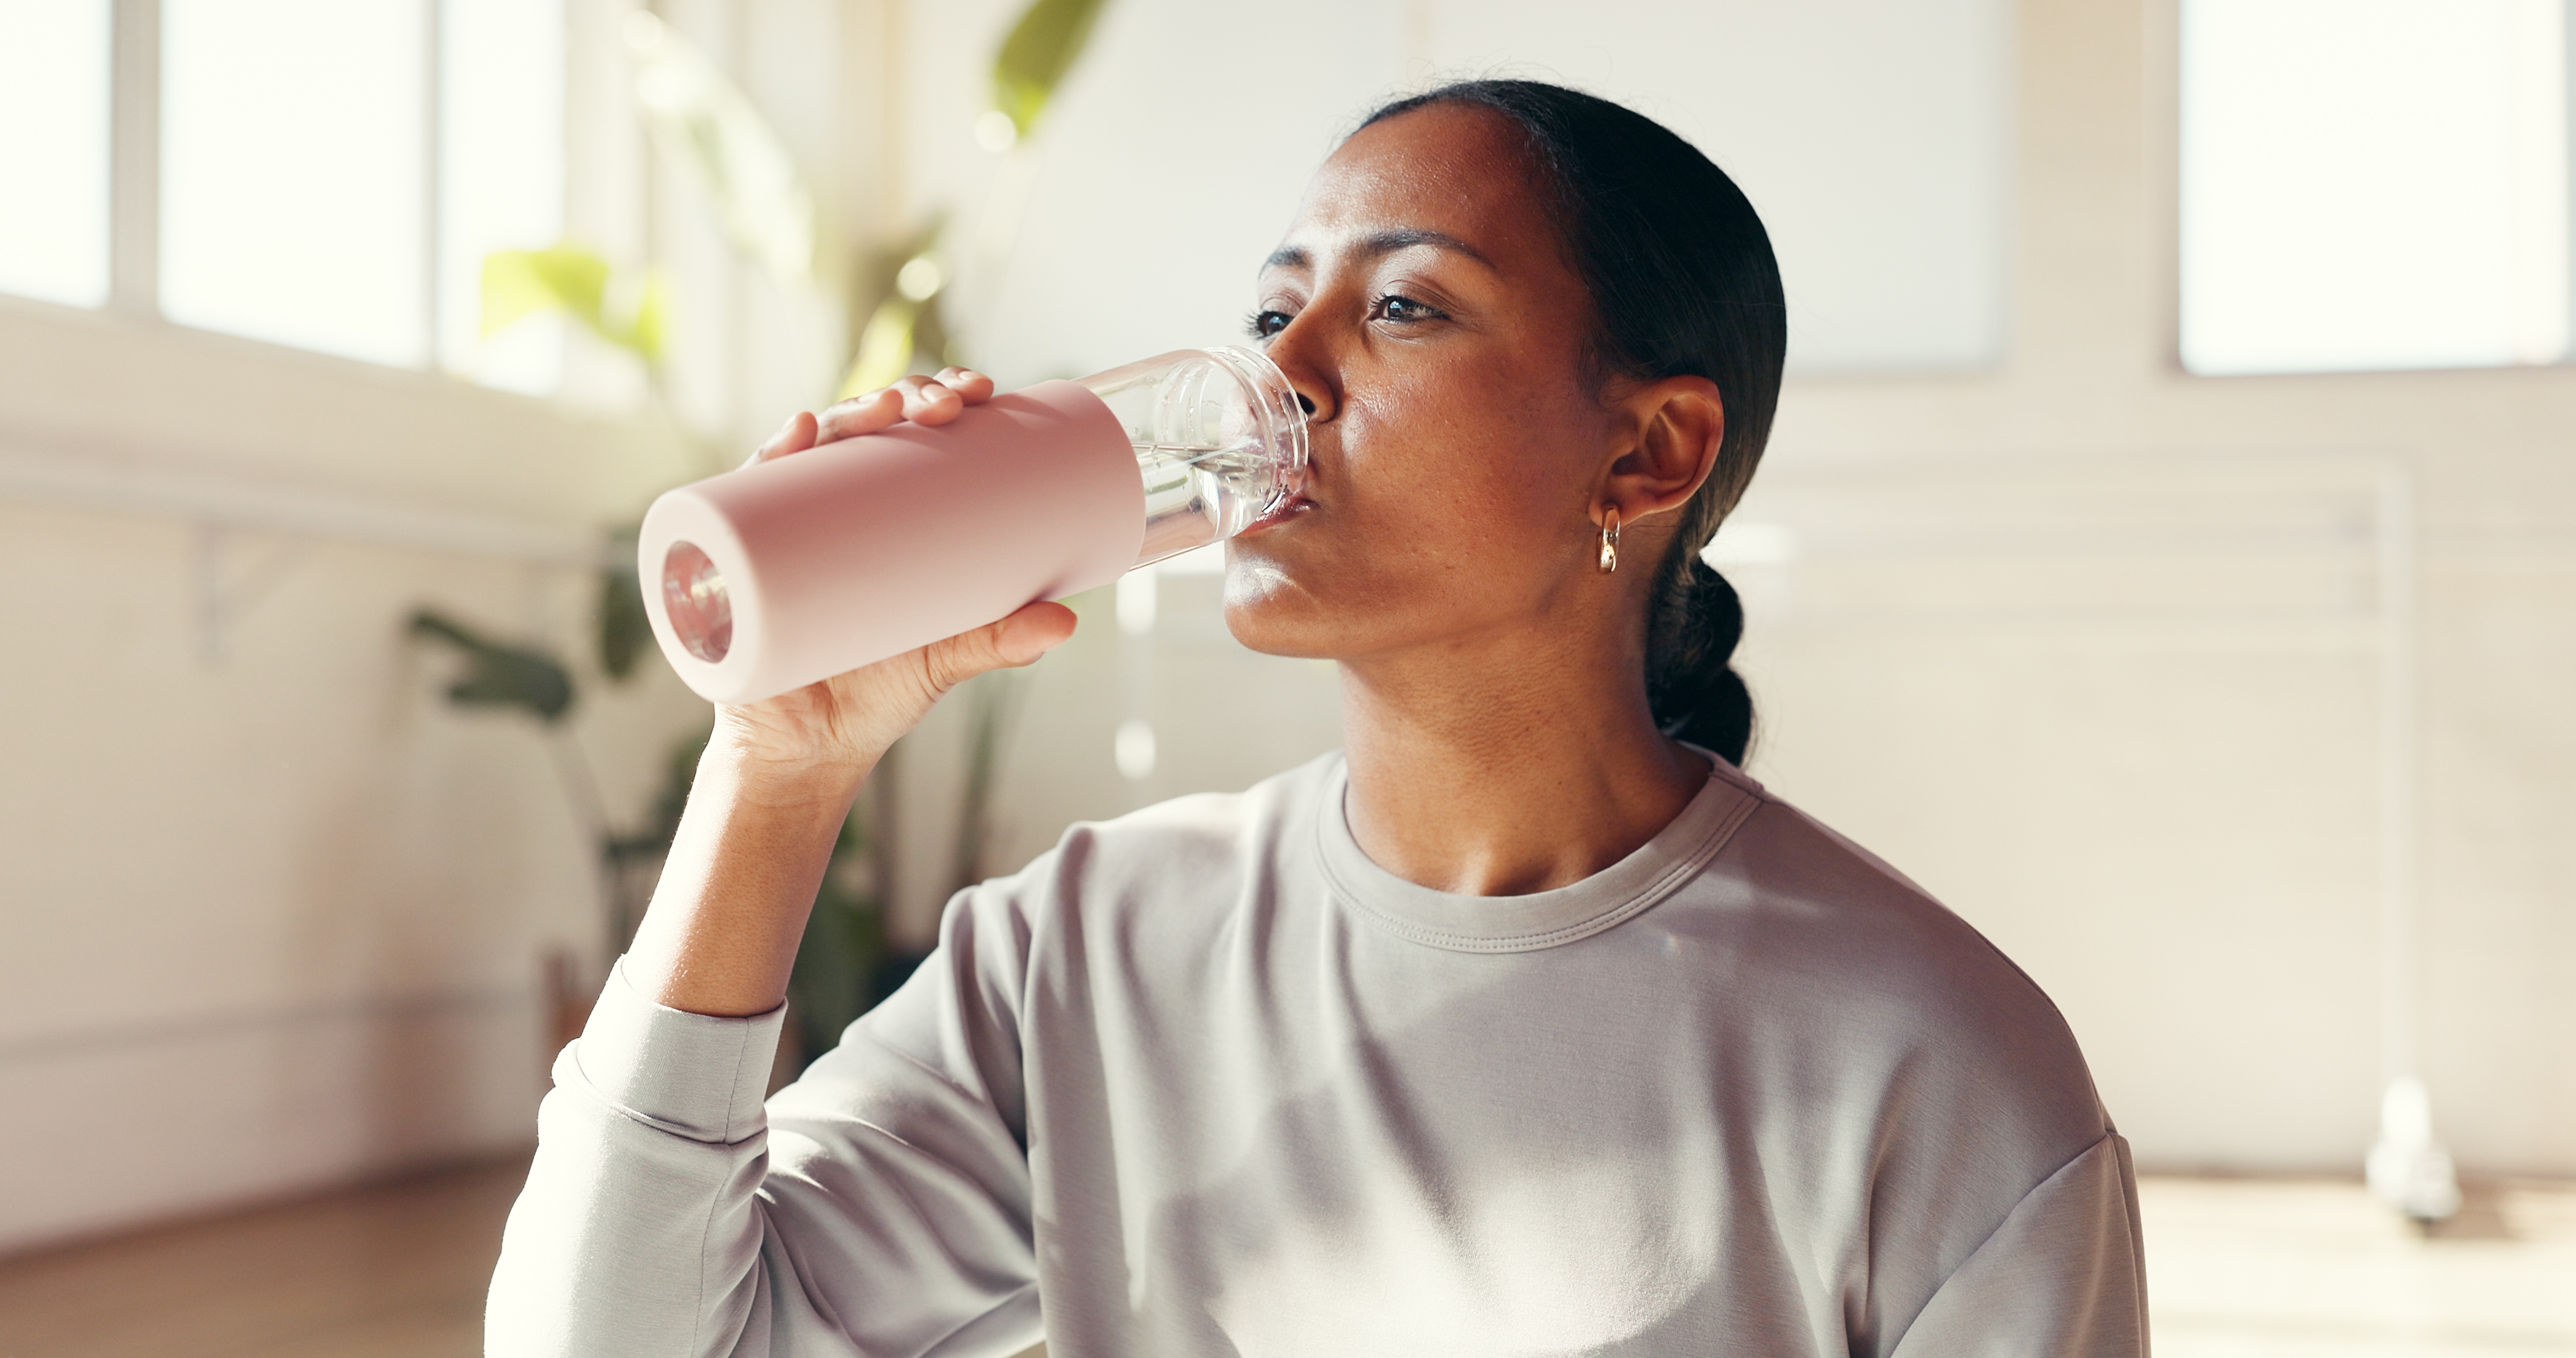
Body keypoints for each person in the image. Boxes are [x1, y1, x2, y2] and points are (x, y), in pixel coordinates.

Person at [488, 80, 2146, 1357]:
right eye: (1278, 302)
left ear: (1647, 454)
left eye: (1406, 304)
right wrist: (777, 770)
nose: (1284, 367)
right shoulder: (1081, 958)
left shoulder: (1932, 1061)